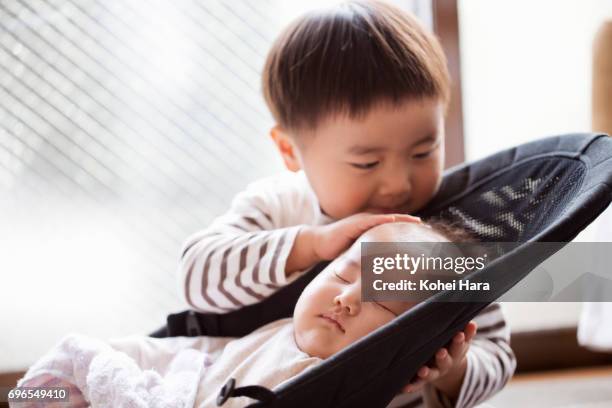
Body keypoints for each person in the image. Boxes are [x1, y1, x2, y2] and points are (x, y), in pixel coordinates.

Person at [177, 1, 514, 406]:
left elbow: (497, 351)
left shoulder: (442, 240)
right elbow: (196, 276)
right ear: (290, 150)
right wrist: (309, 245)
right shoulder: (279, 208)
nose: (398, 183)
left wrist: (454, 369)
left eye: (424, 151)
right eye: (367, 162)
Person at [15, 222, 499, 408]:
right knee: (77, 367)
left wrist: (449, 370)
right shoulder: (280, 327)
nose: (347, 298)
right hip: (178, 378)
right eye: (342, 274)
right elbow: (201, 355)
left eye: (382, 300)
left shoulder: (370, 383)